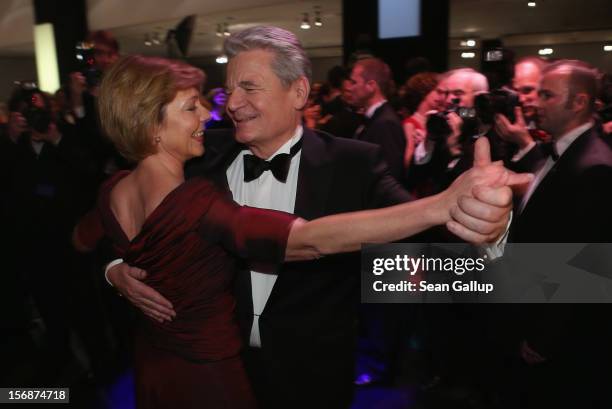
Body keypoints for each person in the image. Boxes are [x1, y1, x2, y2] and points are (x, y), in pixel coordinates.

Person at [104, 26, 527, 409]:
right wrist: (117, 269)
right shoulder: (197, 154)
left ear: (299, 92)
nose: (231, 104)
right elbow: (126, 207)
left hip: (310, 379)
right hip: (212, 372)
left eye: (249, 87)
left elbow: (421, 253)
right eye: (228, 90)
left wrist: (490, 228)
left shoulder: (354, 164)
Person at [349, 57, 406, 182]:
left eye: (354, 82)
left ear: (371, 86)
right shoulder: (375, 119)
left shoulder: (386, 123)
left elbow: (389, 176)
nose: (350, 88)